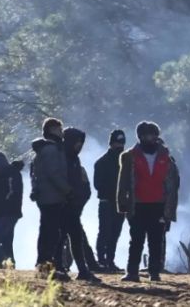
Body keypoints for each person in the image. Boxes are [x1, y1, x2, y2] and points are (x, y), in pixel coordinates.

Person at [117, 121, 180, 282]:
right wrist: (122, 203)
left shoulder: (166, 157)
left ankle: (154, 272)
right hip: (137, 204)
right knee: (136, 239)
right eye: (146, 135)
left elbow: (173, 184)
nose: (149, 138)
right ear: (140, 137)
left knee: (156, 240)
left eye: (152, 135)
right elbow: (123, 182)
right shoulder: (128, 156)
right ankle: (132, 272)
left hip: (158, 204)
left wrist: (170, 209)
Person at [55, 127, 100, 282]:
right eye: (77, 142)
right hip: (61, 204)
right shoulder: (61, 157)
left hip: (73, 206)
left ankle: (82, 269)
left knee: (75, 237)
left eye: (81, 143)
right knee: (60, 238)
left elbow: (82, 184)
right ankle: (58, 267)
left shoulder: (74, 159)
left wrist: (78, 199)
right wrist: (68, 194)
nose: (79, 146)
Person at [30, 118, 71, 280]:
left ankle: (44, 265)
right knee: (52, 232)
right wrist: (67, 190)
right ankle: (46, 266)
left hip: (45, 196)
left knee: (47, 230)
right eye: (60, 129)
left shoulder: (43, 150)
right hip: (53, 196)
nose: (62, 132)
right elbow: (54, 174)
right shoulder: (52, 150)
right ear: (53, 129)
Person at [94, 129, 126, 271]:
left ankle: (110, 260)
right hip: (107, 202)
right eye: (117, 143)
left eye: (121, 143)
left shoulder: (126, 162)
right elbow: (98, 184)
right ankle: (102, 260)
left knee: (115, 233)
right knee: (105, 232)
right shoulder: (102, 162)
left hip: (120, 203)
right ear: (111, 143)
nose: (120, 146)